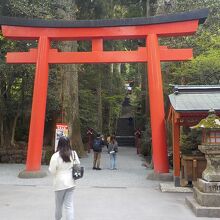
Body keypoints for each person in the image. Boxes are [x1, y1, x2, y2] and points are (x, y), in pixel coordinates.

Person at [49, 136, 80, 220]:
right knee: (69, 205)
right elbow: (77, 165)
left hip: (59, 183)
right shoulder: (73, 153)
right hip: (71, 182)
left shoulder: (55, 156)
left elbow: (52, 171)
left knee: (58, 205)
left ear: (59, 144)